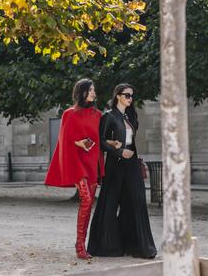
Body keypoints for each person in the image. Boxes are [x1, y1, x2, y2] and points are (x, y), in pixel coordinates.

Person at [88, 83, 157, 259]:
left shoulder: (131, 116)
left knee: (137, 200)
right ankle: (107, 246)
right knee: (109, 204)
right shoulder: (109, 116)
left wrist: (131, 156)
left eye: (131, 96)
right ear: (117, 95)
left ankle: (138, 247)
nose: (130, 99)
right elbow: (101, 141)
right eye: (127, 95)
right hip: (115, 164)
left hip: (131, 162)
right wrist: (118, 151)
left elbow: (131, 141)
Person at [45, 78, 105, 259]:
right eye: (91, 90)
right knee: (86, 200)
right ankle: (80, 245)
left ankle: (82, 244)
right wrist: (77, 142)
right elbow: (63, 140)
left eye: (95, 90)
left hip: (92, 162)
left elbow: (100, 139)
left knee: (89, 204)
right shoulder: (68, 114)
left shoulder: (98, 115)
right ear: (82, 92)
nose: (94, 93)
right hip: (77, 163)